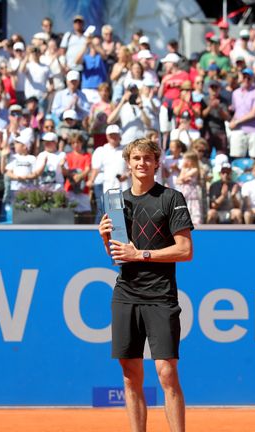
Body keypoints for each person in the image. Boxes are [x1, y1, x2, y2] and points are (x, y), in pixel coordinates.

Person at [97, 137, 193, 432]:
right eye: (136, 158)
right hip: (126, 293)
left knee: (166, 372)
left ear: (156, 163)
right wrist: (105, 239)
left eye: (148, 159)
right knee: (129, 373)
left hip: (161, 295)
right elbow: (119, 257)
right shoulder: (117, 201)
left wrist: (142, 254)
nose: (142, 164)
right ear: (128, 163)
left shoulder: (172, 198)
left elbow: (185, 250)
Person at [175, 151, 202, 226]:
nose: (185, 162)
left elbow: (182, 178)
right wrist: (183, 170)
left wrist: (183, 177)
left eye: (187, 160)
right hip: (184, 192)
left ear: (192, 161)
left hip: (191, 192)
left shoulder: (195, 169)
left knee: (193, 207)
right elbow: (178, 180)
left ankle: (195, 222)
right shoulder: (185, 169)